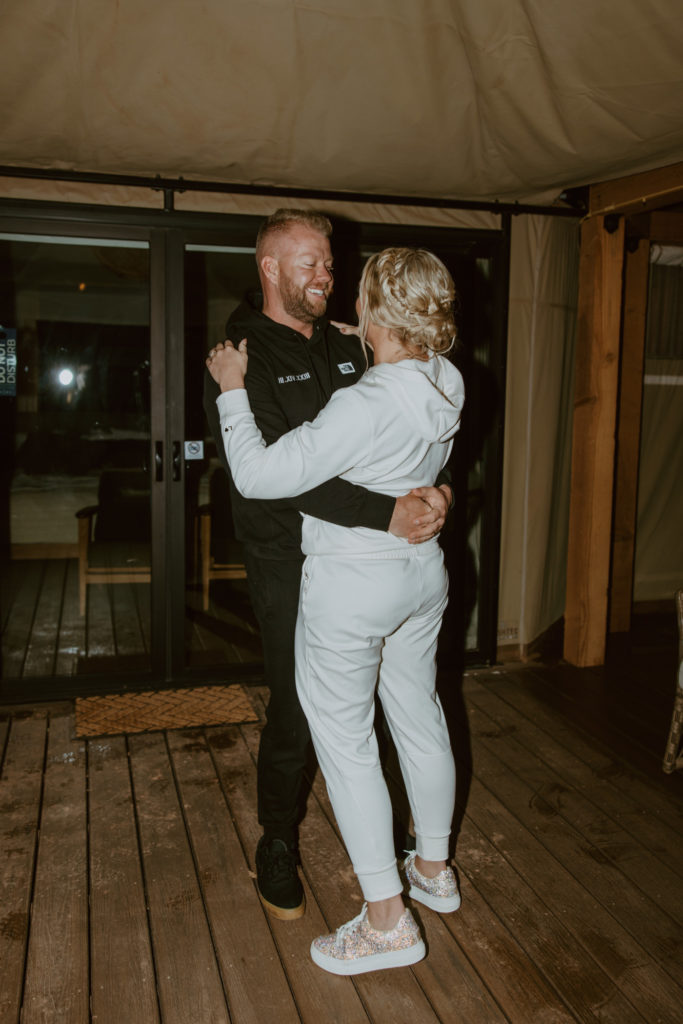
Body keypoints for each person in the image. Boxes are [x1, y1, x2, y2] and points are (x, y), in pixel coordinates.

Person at [206, 246, 464, 975]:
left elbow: (257, 475)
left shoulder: (363, 401)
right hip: (422, 576)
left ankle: (386, 920)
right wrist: (378, 336)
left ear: (377, 308)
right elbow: (409, 385)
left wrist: (231, 388)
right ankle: (433, 871)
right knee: (419, 717)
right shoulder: (446, 378)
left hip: (355, 585)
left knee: (346, 744)